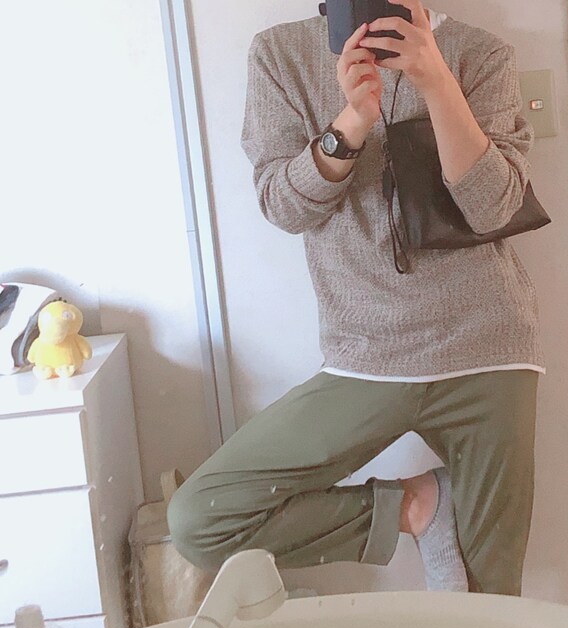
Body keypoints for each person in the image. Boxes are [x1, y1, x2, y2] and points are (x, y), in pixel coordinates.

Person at [168, 0, 545, 596]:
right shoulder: (282, 55)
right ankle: (421, 507)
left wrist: (436, 80)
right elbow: (284, 207)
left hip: (487, 350)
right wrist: (351, 123)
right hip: (365, 355)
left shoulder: (481, 54)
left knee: (488, 596)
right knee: (203, 519)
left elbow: (494, 208)